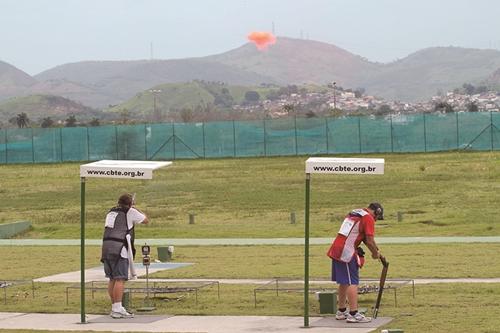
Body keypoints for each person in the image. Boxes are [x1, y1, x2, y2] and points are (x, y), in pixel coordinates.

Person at [327, 202, 384, 323]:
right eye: (377, 217)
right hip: (346, 251)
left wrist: (377, 250)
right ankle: (353, 313)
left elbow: (364, 238)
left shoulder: (356, 212)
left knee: (344, 281)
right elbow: (369, 240)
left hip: (337, 248)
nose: (376, 220)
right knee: (352, 281)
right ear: (376, 212)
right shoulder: (368, 218)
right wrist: (375, 253)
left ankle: (341, 311)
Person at [101, 193, 149, 319]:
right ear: (130, 203)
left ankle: (116, 307)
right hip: (119, 249)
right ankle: (117, 308)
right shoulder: (130, 211)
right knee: (120, 278)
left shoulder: (111, 212)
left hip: (106, 247)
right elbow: (145, 220)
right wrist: (136, 208)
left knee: (112, 278)